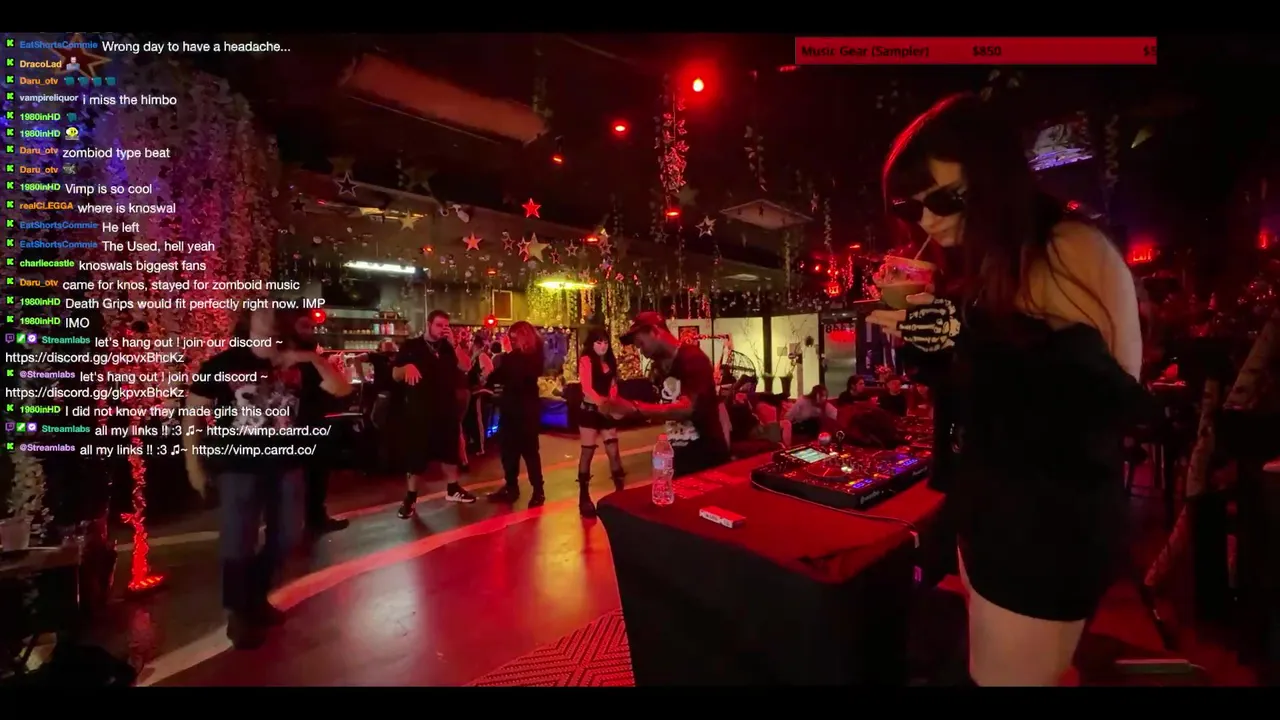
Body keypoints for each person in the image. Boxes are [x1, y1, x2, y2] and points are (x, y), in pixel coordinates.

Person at [868, 93, 1144, 686]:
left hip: (1047, 526)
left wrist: (959, 339)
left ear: (994, 180)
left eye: (946, 198)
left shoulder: (1066, 248)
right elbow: (984, 392)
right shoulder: (989, 260)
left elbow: (1108, 405)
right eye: (911, 206)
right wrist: (931, 346)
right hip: (992, 509)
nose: (927, 221)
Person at [184, 308, 353, 649]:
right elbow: (193, 414)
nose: (270, 318)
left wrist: (310, 357)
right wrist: (193, 465)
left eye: (274, 314)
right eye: (262, 313)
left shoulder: (298, 361)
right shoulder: (224, 363)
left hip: (286, 463)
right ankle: (238, 613)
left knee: (289, 534)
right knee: (238, 540)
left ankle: (254, 596)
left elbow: (341, 389)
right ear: (248, 323)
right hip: (238, 465)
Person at [601, 312, 730, 477]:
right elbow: (665, 411)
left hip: (707, 457)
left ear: (655, 331)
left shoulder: (693, 358)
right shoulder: (658, 368)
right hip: (679, 458)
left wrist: (635, 408)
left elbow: (688, 408)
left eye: (641, 344)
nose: (641, 351)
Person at [394, 309, 478, 518]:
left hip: (446, 408)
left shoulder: (448, 348)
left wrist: (455, 344)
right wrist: (407, 368)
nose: (443, 329)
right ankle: (411, 498)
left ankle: (453, 488)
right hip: (420, 410)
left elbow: (466, 366)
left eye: (446, 326)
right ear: (429, 324)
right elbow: (395, 374)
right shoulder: (412, 346)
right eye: (439, 325)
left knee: (450, 451)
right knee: (416, 457)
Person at [483, 321, 547, 508]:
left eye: (514, 338)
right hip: (511, 408)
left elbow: (520, 375)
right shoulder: (513, 357)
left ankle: (538, 490)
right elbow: (499, 375)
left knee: (529, 452)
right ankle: (512, 487)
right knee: (508, 451)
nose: (511, 341)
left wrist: (508, 355)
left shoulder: (532, 356)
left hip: (525, 411)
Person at [573, 327, 628, 518]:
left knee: (613, 450)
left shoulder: (609, 361)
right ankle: (583, 496)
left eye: (605, 342)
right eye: (599, 342)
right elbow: (586, 387)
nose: (603, 346)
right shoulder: (586, 360)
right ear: (592, 344)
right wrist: (602, 403)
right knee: (587, 451)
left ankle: (621, 493)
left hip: (605, 410)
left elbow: (613, 385)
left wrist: (611, 402)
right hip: (589, 410)